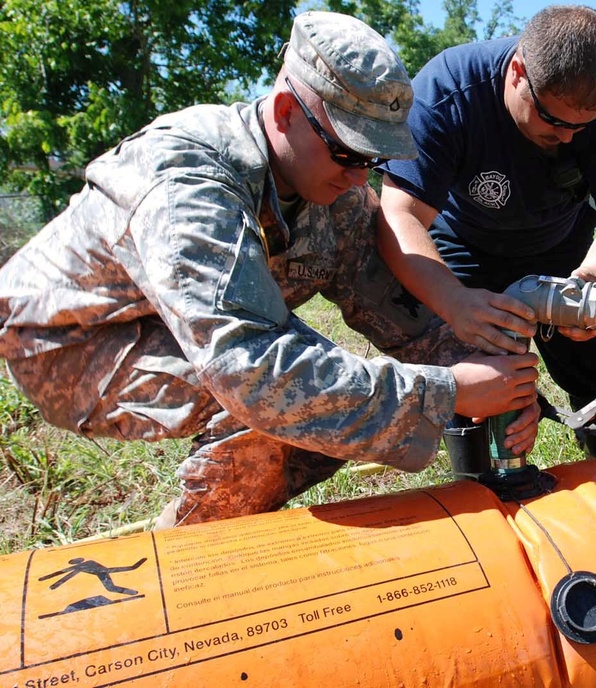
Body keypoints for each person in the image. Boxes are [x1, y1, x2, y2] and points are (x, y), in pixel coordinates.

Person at [0, 11, 539, 529]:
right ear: (284, 111)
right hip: (67, 341)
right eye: (348, 154)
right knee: (290, 404)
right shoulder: (188, 182)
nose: (360, 180)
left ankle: (238, 540)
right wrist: (445, 392)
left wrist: (491, 381)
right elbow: (250, 373)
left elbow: (397, 310)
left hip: (172, 322)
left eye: (374, 162)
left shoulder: (332, 190)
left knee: (340, 412)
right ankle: (185, 577)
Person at [377, 5, 596, 457]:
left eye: (582, 126)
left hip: (564, 250)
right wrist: (454, 301)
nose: (567, 138)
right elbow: (399, 214)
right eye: (555, 121)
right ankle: (482, 486)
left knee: (588, 367)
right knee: (474, 370)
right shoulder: (448, 89)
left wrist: (593, 274)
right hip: (463, 245)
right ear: (518, 72)